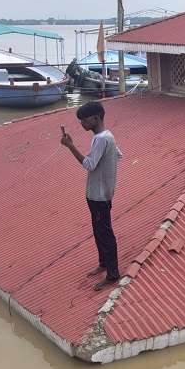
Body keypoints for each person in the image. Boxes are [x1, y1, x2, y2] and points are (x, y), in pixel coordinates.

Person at [60, 101, 123, 289]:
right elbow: (118, 154)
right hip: (99, 193)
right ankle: (103, 263)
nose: (82, 124)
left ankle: (113, 274)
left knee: (105, 232)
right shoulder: (107, 136)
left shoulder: (101, 139)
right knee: (98, 230)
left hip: (99, 196)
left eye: (84, 120)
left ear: (96, 118)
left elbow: (89, 164)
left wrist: (70, 146)